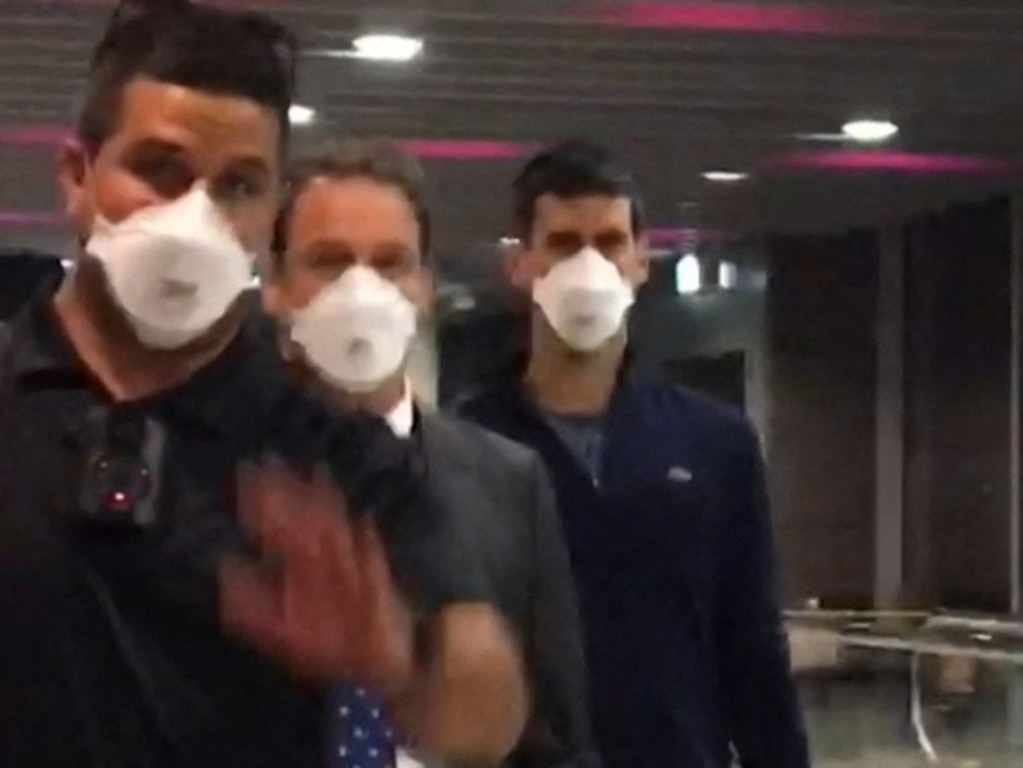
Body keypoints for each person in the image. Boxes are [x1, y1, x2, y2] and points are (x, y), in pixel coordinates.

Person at [0, 1, 524, 766]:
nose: (195, 218)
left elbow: (486, 713)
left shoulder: (329, 447)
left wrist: (401, 669)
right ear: (78, 176)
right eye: (160, 171)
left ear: (272, 210)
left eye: (239, 186)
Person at [457, 139, 811, 768]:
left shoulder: (715, 443)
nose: (588, 266)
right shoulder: (465, 447)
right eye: (564, 243)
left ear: (643, 260)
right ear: (520, 263)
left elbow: (754, 650)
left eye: (610, 242)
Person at [263, 140, 596, 768]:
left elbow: (558, 738)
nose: (361, 291)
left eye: (390, 264)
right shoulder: (212, 474)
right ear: (276, 287)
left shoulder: (507, 482)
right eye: (329, 263)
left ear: (425, 288)